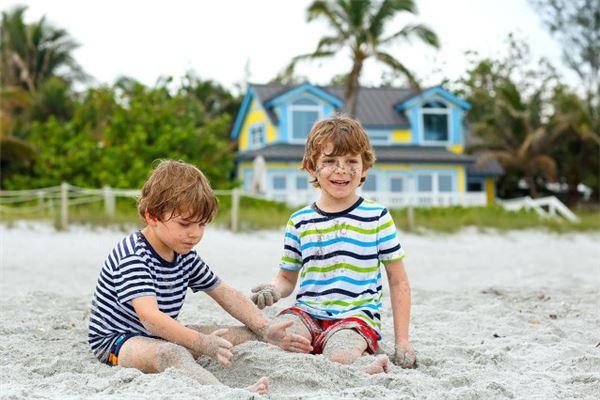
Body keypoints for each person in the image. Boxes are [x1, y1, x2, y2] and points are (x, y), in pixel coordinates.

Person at [87, 160, 312, 395]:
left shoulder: (183, 253)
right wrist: (201, 343)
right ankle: (224, 393)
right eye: (185, 224)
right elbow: (150, 318)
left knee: (242, 333)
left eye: (201, 225)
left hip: (159, 333)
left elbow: (224, 293)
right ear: (152, 216)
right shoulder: (134, 255)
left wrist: (265, 329)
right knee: (172, 354)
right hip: (118, 341)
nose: (194, 234)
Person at [250, 115, 417, 373]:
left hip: (355, 318)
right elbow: (286, 278)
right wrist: (272, 289)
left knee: (338, 359)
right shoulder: (299, 221)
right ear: (311, 167)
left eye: (351, 161)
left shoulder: (377, 217)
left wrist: (403, 343)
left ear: (365, 168)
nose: (341, 170)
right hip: (306, 313)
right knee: (282, 341)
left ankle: (369, 366)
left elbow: (398, 281)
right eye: (329, 161)